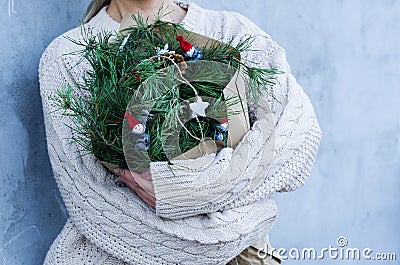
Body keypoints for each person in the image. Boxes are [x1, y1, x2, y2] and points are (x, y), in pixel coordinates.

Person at [39, 0, 322, 264]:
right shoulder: (68, 57)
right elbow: (100, 209)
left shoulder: (232, 31)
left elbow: (298, 141)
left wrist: (184, 191)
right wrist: (246, 219)